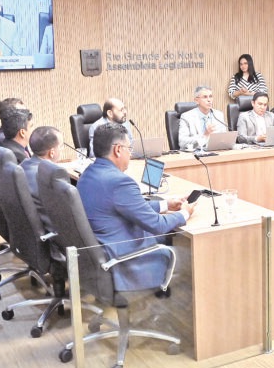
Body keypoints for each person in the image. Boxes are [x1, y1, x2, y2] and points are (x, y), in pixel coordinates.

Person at [77, 124, 196, 290]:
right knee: (195, 256)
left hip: (103, 252)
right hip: (127, 261)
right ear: (118, 150)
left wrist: (165, 204)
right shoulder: (120, 182)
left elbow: (129, 206)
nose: (130, 154)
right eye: (129, 149)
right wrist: (185, 213)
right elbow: (158, 225)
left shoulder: (88, 173)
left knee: (174, 241)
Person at [21, 125, 63, 232]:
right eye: (61, 146)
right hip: (52, 233)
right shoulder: (49, 177)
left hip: (26, 229)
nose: (62, 150)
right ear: (52, 153)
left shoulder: (23, 164)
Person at [178, 85, 228, 150]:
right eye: (205, 97)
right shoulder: (186, 117)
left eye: (210, 96)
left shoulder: (218, 115)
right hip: (195, 153)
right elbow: (182, 142)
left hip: (215, 151)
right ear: (196, 100)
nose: (209, 100)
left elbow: (224, 138)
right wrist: (205, 135)